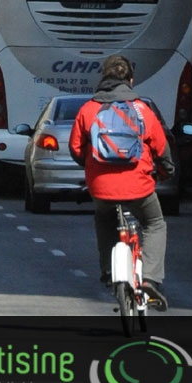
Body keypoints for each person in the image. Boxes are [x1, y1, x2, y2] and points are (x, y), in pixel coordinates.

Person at [69, 54, 174, 309]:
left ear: (103, 78)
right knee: (154, 223)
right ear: (130, 80)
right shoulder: (142, 109)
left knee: (104, 218)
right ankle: (149, 278)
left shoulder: (89, 109)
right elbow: (161, 148)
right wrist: (165, 170)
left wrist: (92, 167)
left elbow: (75, 148)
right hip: (139, 185)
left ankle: (108, 271)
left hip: (101, 187)